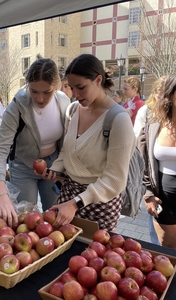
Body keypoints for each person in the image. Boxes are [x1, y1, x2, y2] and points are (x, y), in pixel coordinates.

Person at [40, 54, 135, 231]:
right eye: (71, 87)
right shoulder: (73, 110)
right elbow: (67, 151)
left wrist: (76, 203)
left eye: (81, 87)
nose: (75, 94)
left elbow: (115, 180)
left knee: (95, 255)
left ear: (98, 80)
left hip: (101, 202)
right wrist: (56, 169)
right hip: (68, 195)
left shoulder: (118, 120)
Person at [0, 57, 70, 227]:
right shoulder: (17, 107)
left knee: (55, 218)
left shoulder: (63, 102)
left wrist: (61, 169)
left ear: (56, 86)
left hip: (53, 166)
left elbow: (68, 142)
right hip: (23, 165)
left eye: (47, 92)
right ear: (27, 86)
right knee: (27, 220)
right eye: (34, 91)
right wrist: (1, 194)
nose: (40, 98)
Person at [139, 74, 176, 250]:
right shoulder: (154, 126)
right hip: (164, 201)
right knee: (166, 249)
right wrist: (148, 194)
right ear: (170, 95)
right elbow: (143, 163)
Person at [134, 76, 166, 246]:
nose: (165, 103)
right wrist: (148, 193)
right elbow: (142, 157)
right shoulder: (149, 117)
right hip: (158, 190)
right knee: (157, 241)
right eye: (161, 97)